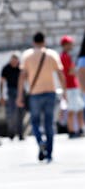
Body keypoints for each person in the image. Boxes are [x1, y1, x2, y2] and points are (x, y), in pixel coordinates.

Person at [16, 32, 66, 163]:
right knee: (49, 123)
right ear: (44, 41)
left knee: (35, 122)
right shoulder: (52, 54)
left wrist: (20, 95)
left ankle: (40, 141)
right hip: (50, 92)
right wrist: (65, 92)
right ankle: (49, 153)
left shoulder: (27, 55)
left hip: (35, 94)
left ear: (33, 42)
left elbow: (22, 77)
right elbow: (60, 74)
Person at [59, 35, 84, 138]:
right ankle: (72, 130)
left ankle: (79, 129)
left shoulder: (66, 56)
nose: (71, 46)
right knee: (71, 110)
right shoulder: (64, 57)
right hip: (70, 87)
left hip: (74, 86)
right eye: (70, 44)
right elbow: (70, 71)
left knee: (79, 108)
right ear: (65, 45)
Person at [0, 52, 25, 140]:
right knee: (12, 114)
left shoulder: (21, 68)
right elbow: (1, 82)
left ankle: (21, 134)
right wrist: (1, 95)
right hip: (11, 92)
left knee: (21, 114)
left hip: (21, 92)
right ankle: (11, 133)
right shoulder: (6, 68)